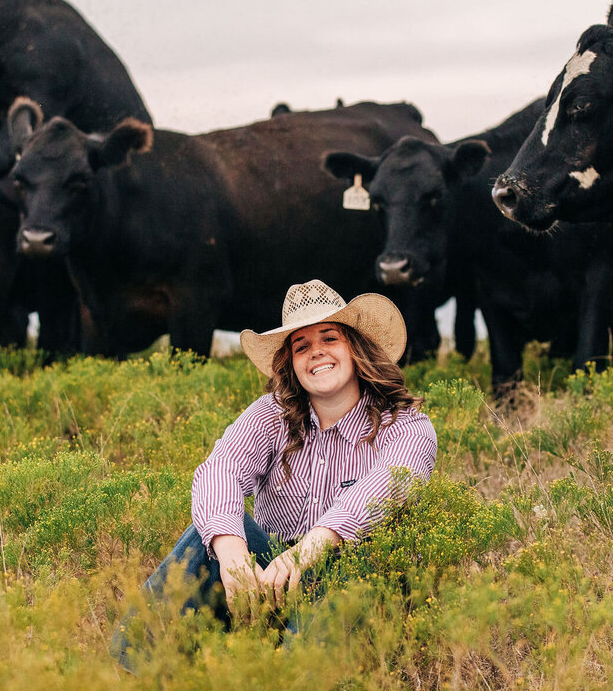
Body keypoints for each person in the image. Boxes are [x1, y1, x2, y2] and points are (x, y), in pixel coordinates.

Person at [115, 279, 436, 665]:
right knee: (210, 536)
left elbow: (384, 490)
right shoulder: (272, 413)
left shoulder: (406, 426)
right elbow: (221, 470)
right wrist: (232, 553)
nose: (316, 352)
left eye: (329, 338)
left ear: (355, 348)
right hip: (268, 583)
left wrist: (308, 551)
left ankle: (291, 670)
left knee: (346, 576)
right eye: (301, 346)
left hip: (352, 579)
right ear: (292, 364)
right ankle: (134, 668)